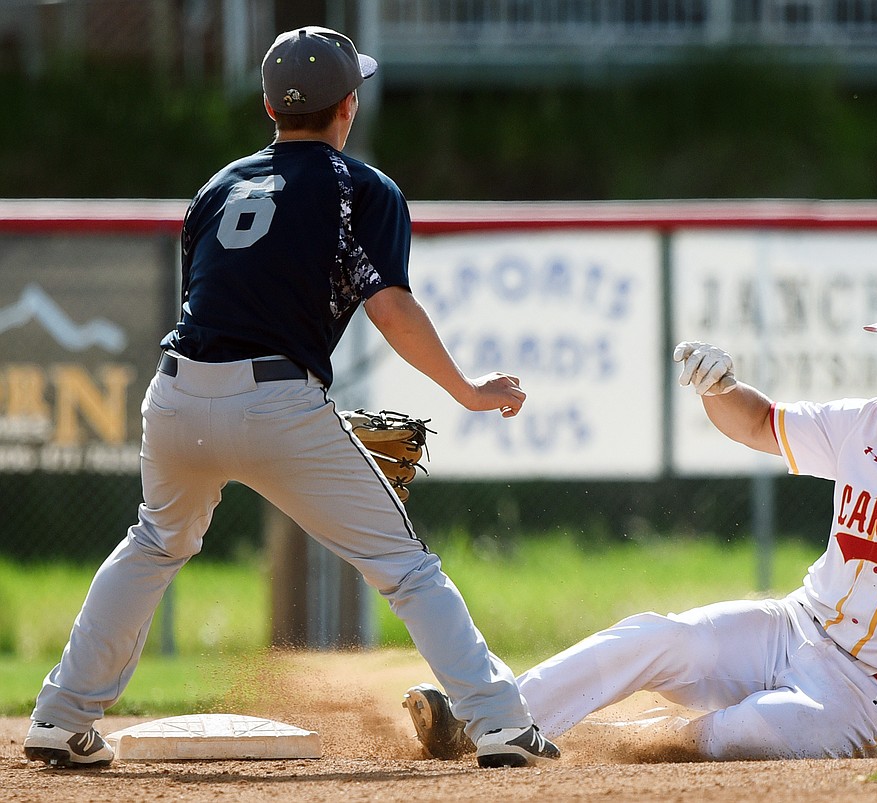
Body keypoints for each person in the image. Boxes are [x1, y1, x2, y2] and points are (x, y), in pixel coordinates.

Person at [24, 26, 558, 770]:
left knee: (155, 541)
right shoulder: (362, 187)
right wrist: (466, 389)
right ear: (347, 108)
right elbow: (392, 307)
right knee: (404, 567)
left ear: (269, 106)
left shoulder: (217, 186)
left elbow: (214, 300)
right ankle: (500, 722)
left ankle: (59, 714)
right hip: (276, 401)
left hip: (175, 394)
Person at [402, 268, 877, 761]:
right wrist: (720, 386)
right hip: (792, 626)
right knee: (652, 637)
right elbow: (760, 424)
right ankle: (485, 721)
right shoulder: (868, 425)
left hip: (863, 697)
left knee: (738, 733)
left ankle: (633, 739)